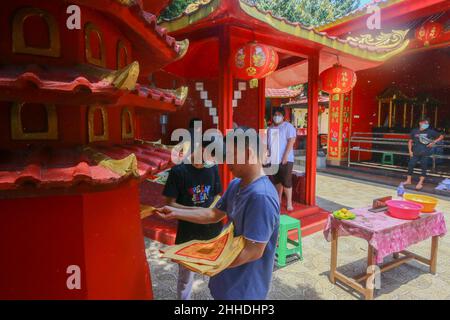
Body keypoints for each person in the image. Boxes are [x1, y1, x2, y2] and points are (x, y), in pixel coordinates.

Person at [157, 127, 280, 300]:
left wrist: (205, 262)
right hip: (225, 281)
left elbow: (254, 251)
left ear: (248, 153)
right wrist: (175, 212)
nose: (225, 161)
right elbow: (213, 214)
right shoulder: (236, 184)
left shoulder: (261, 196)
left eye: (230, 154)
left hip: (244, 290)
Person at [163, 136, 222, 300]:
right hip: (188, 232)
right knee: (185, 278)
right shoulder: (178, 172)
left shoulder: (212, 168)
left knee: (216, 272)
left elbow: (217, 194)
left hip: (212, 229)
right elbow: (170, 203)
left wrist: (213, 211)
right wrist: (195, 210)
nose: (210, 159)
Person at [267, 107, 297, 211]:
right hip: (274, 159)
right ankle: (278, 199)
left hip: (286, 159)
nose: (276, 117)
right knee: (277, 181)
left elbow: (291, 141)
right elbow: (268, 144)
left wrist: (285, 156)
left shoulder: (288, 126)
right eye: (275, 114)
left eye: (279, 115)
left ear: (283, 116)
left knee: (286, 181)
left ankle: (289, 203)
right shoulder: (270, 128)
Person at [403, 118, 444, 190]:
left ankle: (420, 183)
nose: (426, 125)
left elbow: (441, 136)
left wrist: (433, 142)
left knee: (424, 167)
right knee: (410, 164)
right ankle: (408, 180)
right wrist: (410, 151)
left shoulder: (430, 131)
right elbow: (410, 141)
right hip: (415, 152)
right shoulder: (414, 131)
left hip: (425, 152)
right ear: (420, 123)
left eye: (427, 123)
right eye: (425, 123)